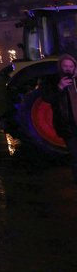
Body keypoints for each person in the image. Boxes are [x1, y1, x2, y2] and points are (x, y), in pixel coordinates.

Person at [42, 53, 77, 183]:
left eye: (71, 66)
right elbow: (47, 98)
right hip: (68, 127)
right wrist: (60, 87)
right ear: (60, 67)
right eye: (65, 66)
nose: (68, 69)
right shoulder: (52, 82)